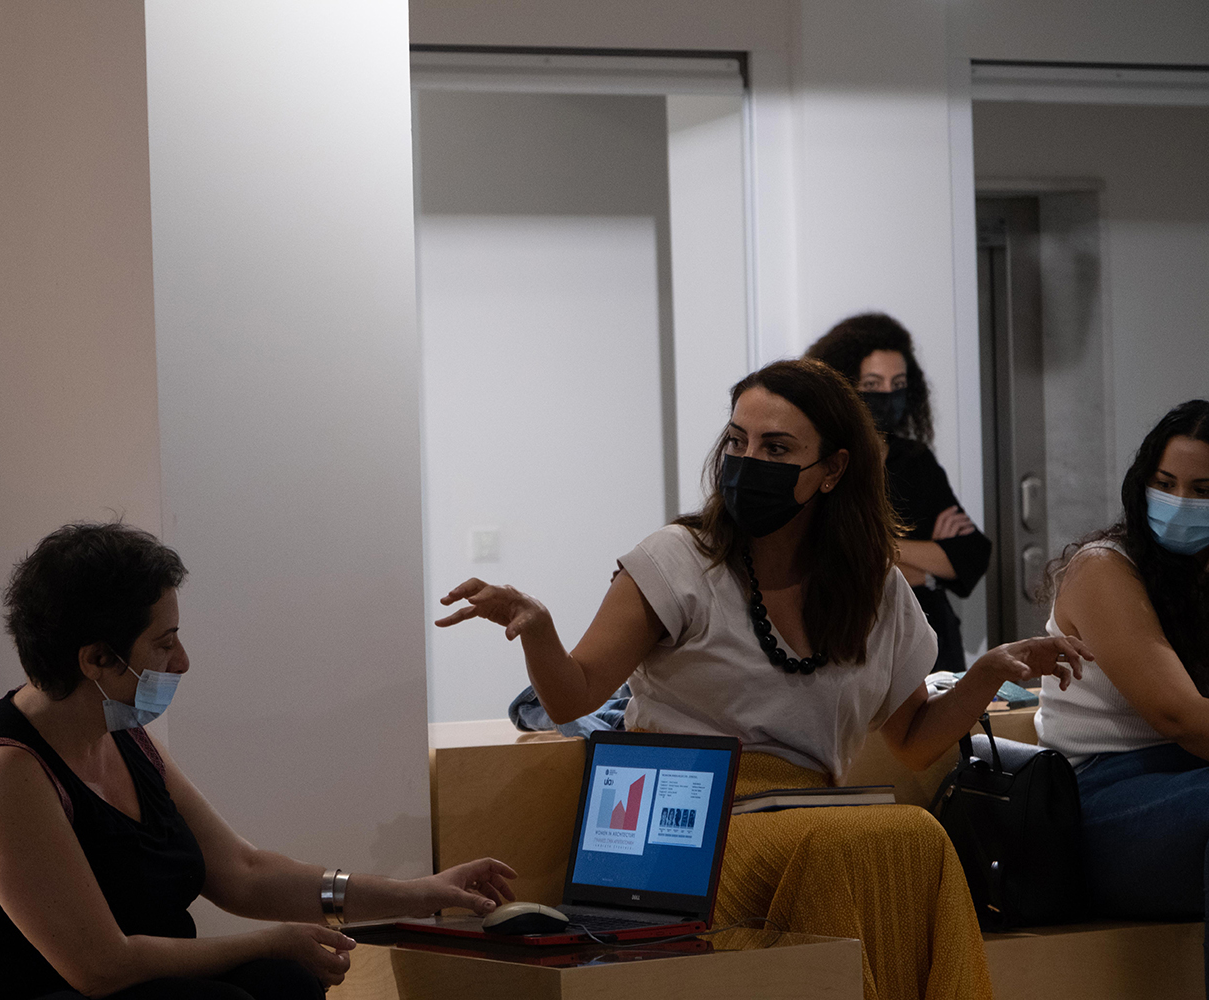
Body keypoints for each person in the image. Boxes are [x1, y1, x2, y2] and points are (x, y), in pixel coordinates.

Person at [436, 359, 1090, 1000]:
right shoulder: (676, 559)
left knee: (918, 838)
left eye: (776, 448)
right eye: (736, 441)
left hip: (809, 812)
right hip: (682, 826)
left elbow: (915, 740)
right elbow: (571, 696)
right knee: (846, 847)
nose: (748, 461)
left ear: (833, 469)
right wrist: (539, 629)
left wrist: (985, 675)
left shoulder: (876, 586)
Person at [0, 522, 515, 1000]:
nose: (181, 662)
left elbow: (245, 873)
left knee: (284, 983)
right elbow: (100, 967)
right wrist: (266, 943)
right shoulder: (4, 777)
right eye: (164, 642)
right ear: (96, 659)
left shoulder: (125, 738)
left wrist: (421, 893)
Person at [1034, 400, 1209, 990]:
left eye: (1202, 490)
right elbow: (1179, 717)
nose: (1179, 502)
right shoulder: (1104, 569)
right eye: (1166, 483)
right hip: (1103, 802)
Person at [806, 313, 992, 674]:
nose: (888, 395)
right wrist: (927, 564)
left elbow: (971, 554)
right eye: (872, 384)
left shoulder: (915, 460)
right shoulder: (823, 464)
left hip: (932, 640)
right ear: (843, 387)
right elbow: (824, 556)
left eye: (899, 383)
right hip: (851, 640)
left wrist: (875, 548)